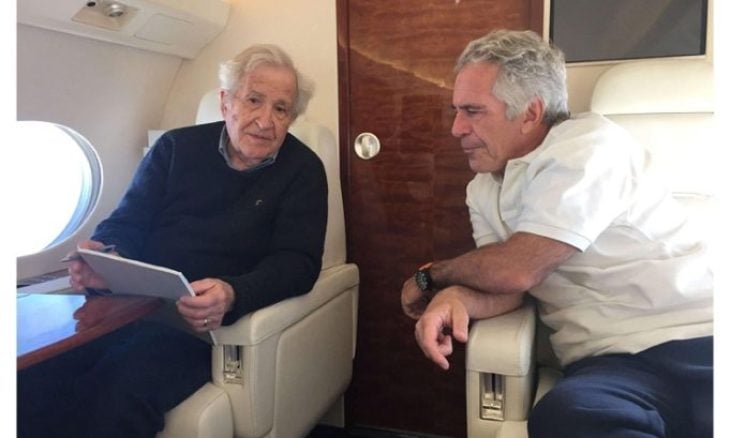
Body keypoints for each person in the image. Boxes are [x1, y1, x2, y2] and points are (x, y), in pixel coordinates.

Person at [401, 30, 713, 438]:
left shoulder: (588, 147)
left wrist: (432, 276)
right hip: (612, 366)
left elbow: (517, 268)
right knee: (565, 415)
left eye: (473, 111)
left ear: (531, 113)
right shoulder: (482, 189)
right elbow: (508, 287)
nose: (456, 128)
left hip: (700, 338)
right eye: (456, 111)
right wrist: (455, 297)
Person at [18, 44, 328, 438]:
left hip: (194, 331)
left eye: (281, 109)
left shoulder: (303, 170)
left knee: (118, 392)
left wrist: (234, 292)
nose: (265, 121)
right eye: (254, 100)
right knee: (31, 380)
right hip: (124, 310)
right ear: (226, 102)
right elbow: (126, 223)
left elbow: (298, 263)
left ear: (291, 118)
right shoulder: (175, 147)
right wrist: (105, 254)